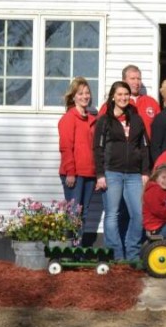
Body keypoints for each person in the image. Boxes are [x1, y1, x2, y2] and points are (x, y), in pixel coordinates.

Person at [94, 80, 151, 261]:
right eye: (119, 94)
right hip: (112, 172)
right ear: (113, 96)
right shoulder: (104, 120)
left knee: (139, 215)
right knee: (112, 214)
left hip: (134, 174)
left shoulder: (136, 119)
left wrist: (145, 172)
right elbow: (98, 148)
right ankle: (116, 255)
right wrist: (100, 175)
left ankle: (132, 254)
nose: (123, 97)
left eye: (126, 94)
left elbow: (144, 147)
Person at [57, 77, 101, 247]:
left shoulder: (91, 119)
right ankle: (70, 247)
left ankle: (78, 247)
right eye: (80, 93)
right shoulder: (69, 118)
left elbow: (94, 149)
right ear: (73, 96)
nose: (85, 96)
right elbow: (66, 147)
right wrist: (70, 171)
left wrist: (97, 174)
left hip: (89, 173)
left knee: (84, 212)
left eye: (87, 93)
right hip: (74, 174)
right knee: (74, 212)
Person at [123, 64, 160, 134]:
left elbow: (161, 128)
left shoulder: (151, 102)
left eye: (139, 79)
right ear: (124, 81)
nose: (136, 82)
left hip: (148, 144)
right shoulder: (115, 103)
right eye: (132, 79)